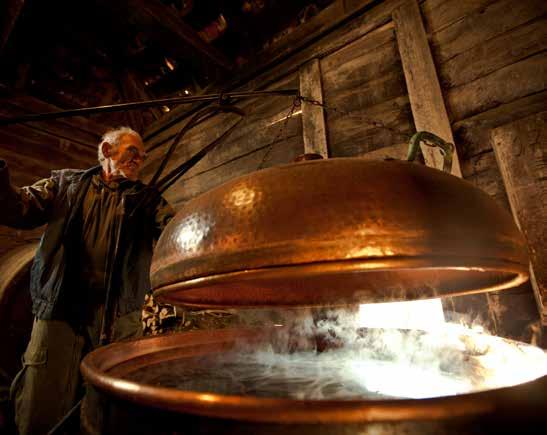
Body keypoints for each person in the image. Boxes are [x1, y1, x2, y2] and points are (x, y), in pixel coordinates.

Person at [0, 126, 174, 434]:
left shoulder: (148, 200)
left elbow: (174, 231)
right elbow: (18, 208)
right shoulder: (65, 185)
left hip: (118, 317)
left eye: (143, 156)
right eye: (132, 152)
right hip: (61, 310)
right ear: (107, 150)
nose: (139, 160)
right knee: (43, 395)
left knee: (106, 404)